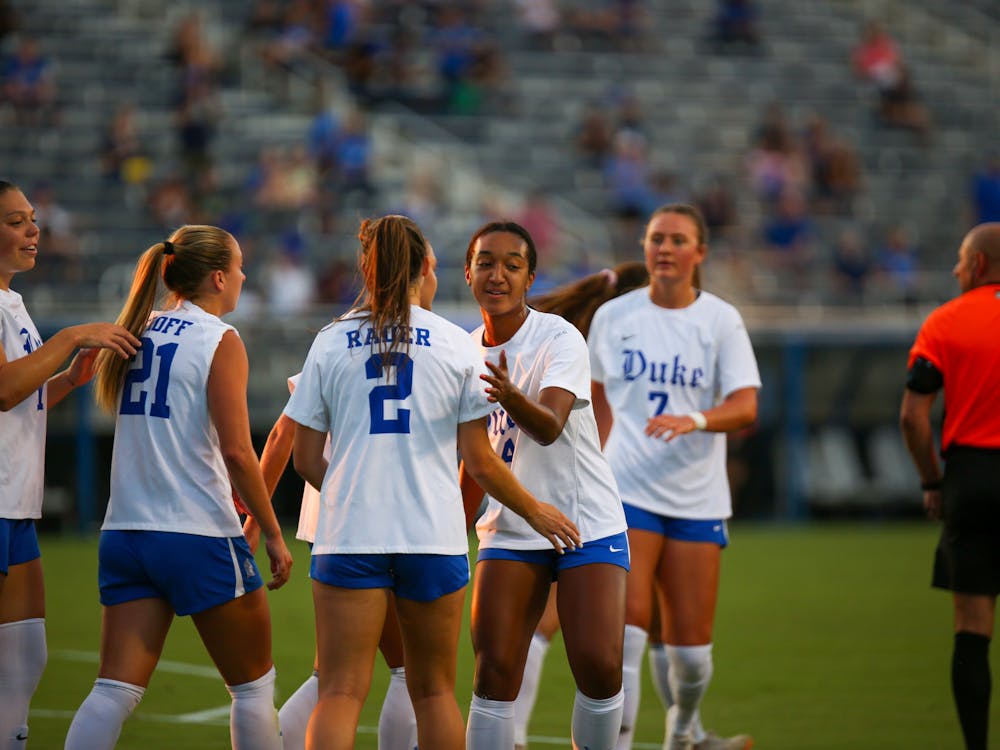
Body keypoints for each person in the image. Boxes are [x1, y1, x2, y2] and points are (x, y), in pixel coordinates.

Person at [282, 214, 580, 750]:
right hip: (432, 538)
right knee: (435, 693)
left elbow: (305, 460)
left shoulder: (329, 341)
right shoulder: (453, 342)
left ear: (368, 269)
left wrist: (356, 495)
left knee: (341, 692)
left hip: (350, 535)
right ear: (424, 269)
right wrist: (534, 510)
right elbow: (481, 460)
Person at [64, 225, 294, 750]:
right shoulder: (220, 339)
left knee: (112, 690)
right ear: (217, 277)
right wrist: (274, 532)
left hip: (125, 531)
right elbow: (238, 452)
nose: (243, 275)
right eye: (238, 266)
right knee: (254, 689)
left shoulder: (136, 325)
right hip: (196, 531)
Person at [588, 204, 760, 750]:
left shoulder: (720, 320)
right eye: (656, 238)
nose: (665, 248)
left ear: (699, 253)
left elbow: (746, 406)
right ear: (644, 247)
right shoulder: (613, 317)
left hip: (696, 499)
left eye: (678, 240)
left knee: (691, 656)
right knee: (628, 636)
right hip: (627, 491)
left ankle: (684, 729)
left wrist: (698, 420)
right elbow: (595, 404)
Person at [462, 221, 630, 750]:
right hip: (511, 526)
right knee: (493, 674)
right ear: (467, 272)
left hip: (587, 522)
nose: (498, 274)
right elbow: (472, 459)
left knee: (600, 667)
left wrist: (510, 395)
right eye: (486, 262)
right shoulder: (459, 350)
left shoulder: (559, 336)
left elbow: (550, 426)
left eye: (513, 264)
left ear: (530, 277)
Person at [0, 179, 140, 748]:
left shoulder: (13, 301)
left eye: (31, 218)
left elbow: (22, 399)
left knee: (26, 656)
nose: (33, 230)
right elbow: (5, 390)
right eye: (15, 221)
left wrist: (66, 380)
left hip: (15, 503)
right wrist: (75, 336)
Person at [507, 260, 649, 749]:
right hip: (579, 503)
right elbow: (597, 436)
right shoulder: (594, 345)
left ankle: (517, 735)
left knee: (536, 633)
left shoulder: (566, 332)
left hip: (533, 494)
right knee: (600, 645)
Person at [250, 375, 417, 750]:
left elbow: (282, 434)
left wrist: (256, 519)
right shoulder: (424, 339)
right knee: (409, 669)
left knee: (331, 674)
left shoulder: (332, 339)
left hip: (330, 519)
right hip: (376, 518)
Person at [899, 222, 1000, 750]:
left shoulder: (946, 322)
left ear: (979, 265)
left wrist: (932, 480)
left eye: (961, 260)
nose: (956, 269)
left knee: (972, 627)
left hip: (974, 479)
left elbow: (913, 418)